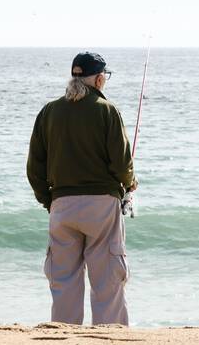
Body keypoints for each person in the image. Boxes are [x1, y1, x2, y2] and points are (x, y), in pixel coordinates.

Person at [26, 51, 137, 325]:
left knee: (62, 280)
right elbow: (122, 162)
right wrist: (130, 183)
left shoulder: (49, 111)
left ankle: (63, 333)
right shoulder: (107, 110)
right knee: (108, 279)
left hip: (61, 206)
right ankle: (109, 334)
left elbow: (34, 167)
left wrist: (49, 200)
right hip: (102, 205)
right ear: (99, 80)